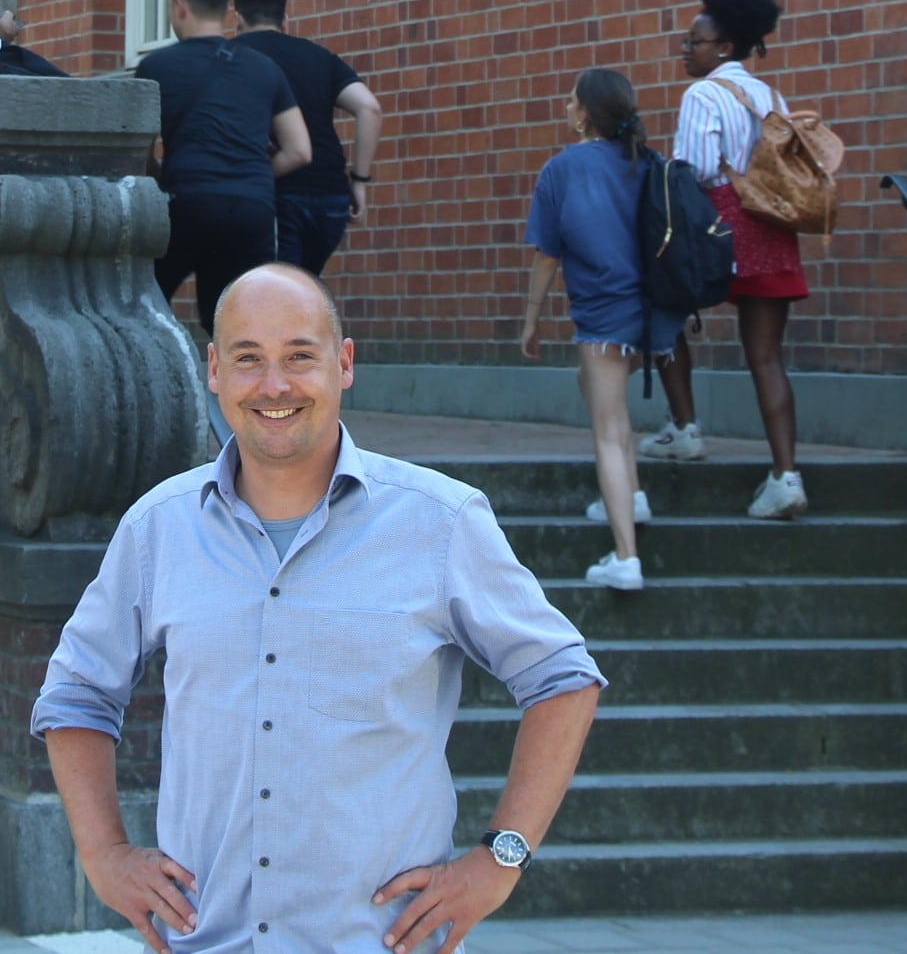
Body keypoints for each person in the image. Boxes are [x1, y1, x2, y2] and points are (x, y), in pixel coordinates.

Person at [32, 263, 604, 954]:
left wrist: (500, 857)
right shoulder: (158, 528)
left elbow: (562, 679)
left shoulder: (440, 521)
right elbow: (76, 691)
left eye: (300, 356)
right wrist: (103, 854)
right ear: (213, 370)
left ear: (345, 362)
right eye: (248, 359)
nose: (275, 385)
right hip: (207, 941)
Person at [643, 0, 808, 520]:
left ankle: (685, 426)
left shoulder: (704, 94)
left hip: (713, 229)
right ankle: (785, 476)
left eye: (695, 41)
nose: (685, 49)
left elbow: (694, 170)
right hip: (771, 230)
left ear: (725, 47)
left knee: (662, 312)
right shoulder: (773, 98)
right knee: (766, 357)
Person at [520, 70, 688, 592]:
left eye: (571, 100)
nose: (566, 106)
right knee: (596, 392)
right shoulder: (648, 162)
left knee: (609, 432)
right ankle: (628, 496)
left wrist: (531, 318)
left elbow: (547, 257)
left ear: (585, 112)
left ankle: (625, 557)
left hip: (604, 315)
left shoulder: (562, 169)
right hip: (655, 314)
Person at [137, 0, 310, 334]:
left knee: (143, 301)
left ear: (180, 7)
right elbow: (299, 150)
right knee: (241, 324)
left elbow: (139, 152)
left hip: (188, 201)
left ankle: (155, 386)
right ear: (226, 11)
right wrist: (257, 175)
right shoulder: (264, 67)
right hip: (252, 208)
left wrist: (162, 177)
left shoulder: (156, 67)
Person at [231, 0, 384, 275]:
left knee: (276, 297)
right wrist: (360, 181)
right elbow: (370, 108)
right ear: (285, 18)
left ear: (237, 18)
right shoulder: (319, 57)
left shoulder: (232, 58)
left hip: (274, 196)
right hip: (330, 197)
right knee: (304, 292)